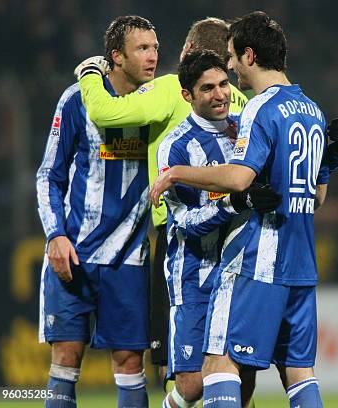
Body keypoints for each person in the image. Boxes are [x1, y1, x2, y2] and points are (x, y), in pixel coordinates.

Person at [150, 11, 338, 408]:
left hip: (259, 258)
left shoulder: (260, 109)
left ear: (248, 56)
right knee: (298, 372)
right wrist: (335, 156)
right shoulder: (311, 109)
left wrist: (176, 173)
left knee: (220, 364)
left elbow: (242, 179)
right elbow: (318, 196)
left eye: (230, 59)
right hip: (302, 260)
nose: (229, 69)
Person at [75, 18, 248, 389]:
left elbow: (106, 113)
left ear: (188, 52)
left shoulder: (172, 88)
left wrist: (89, 73)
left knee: (175, 367)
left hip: (181, 237)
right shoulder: (244, 103)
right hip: (237, 237)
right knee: (234, 363)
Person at [36, 15, 159, 408]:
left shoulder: (159, 103)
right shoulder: (77, 99)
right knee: (65, 361)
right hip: (75, 253)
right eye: (142, 48)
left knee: (129, 362)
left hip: (128, 258)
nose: (153, 56)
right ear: (116, 57)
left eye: (155, 47)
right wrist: (55, 235)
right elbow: (48, 175)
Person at [158, 50, 282, 408]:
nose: (221, 94)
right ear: (188, 96)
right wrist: (233, 202)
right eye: (208, 88)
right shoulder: (176, 148)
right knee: (194, 384)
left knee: (241, 378)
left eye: (224, 84)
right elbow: (183, 222)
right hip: (195, 275)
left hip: (243, 272)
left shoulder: (246, 128)